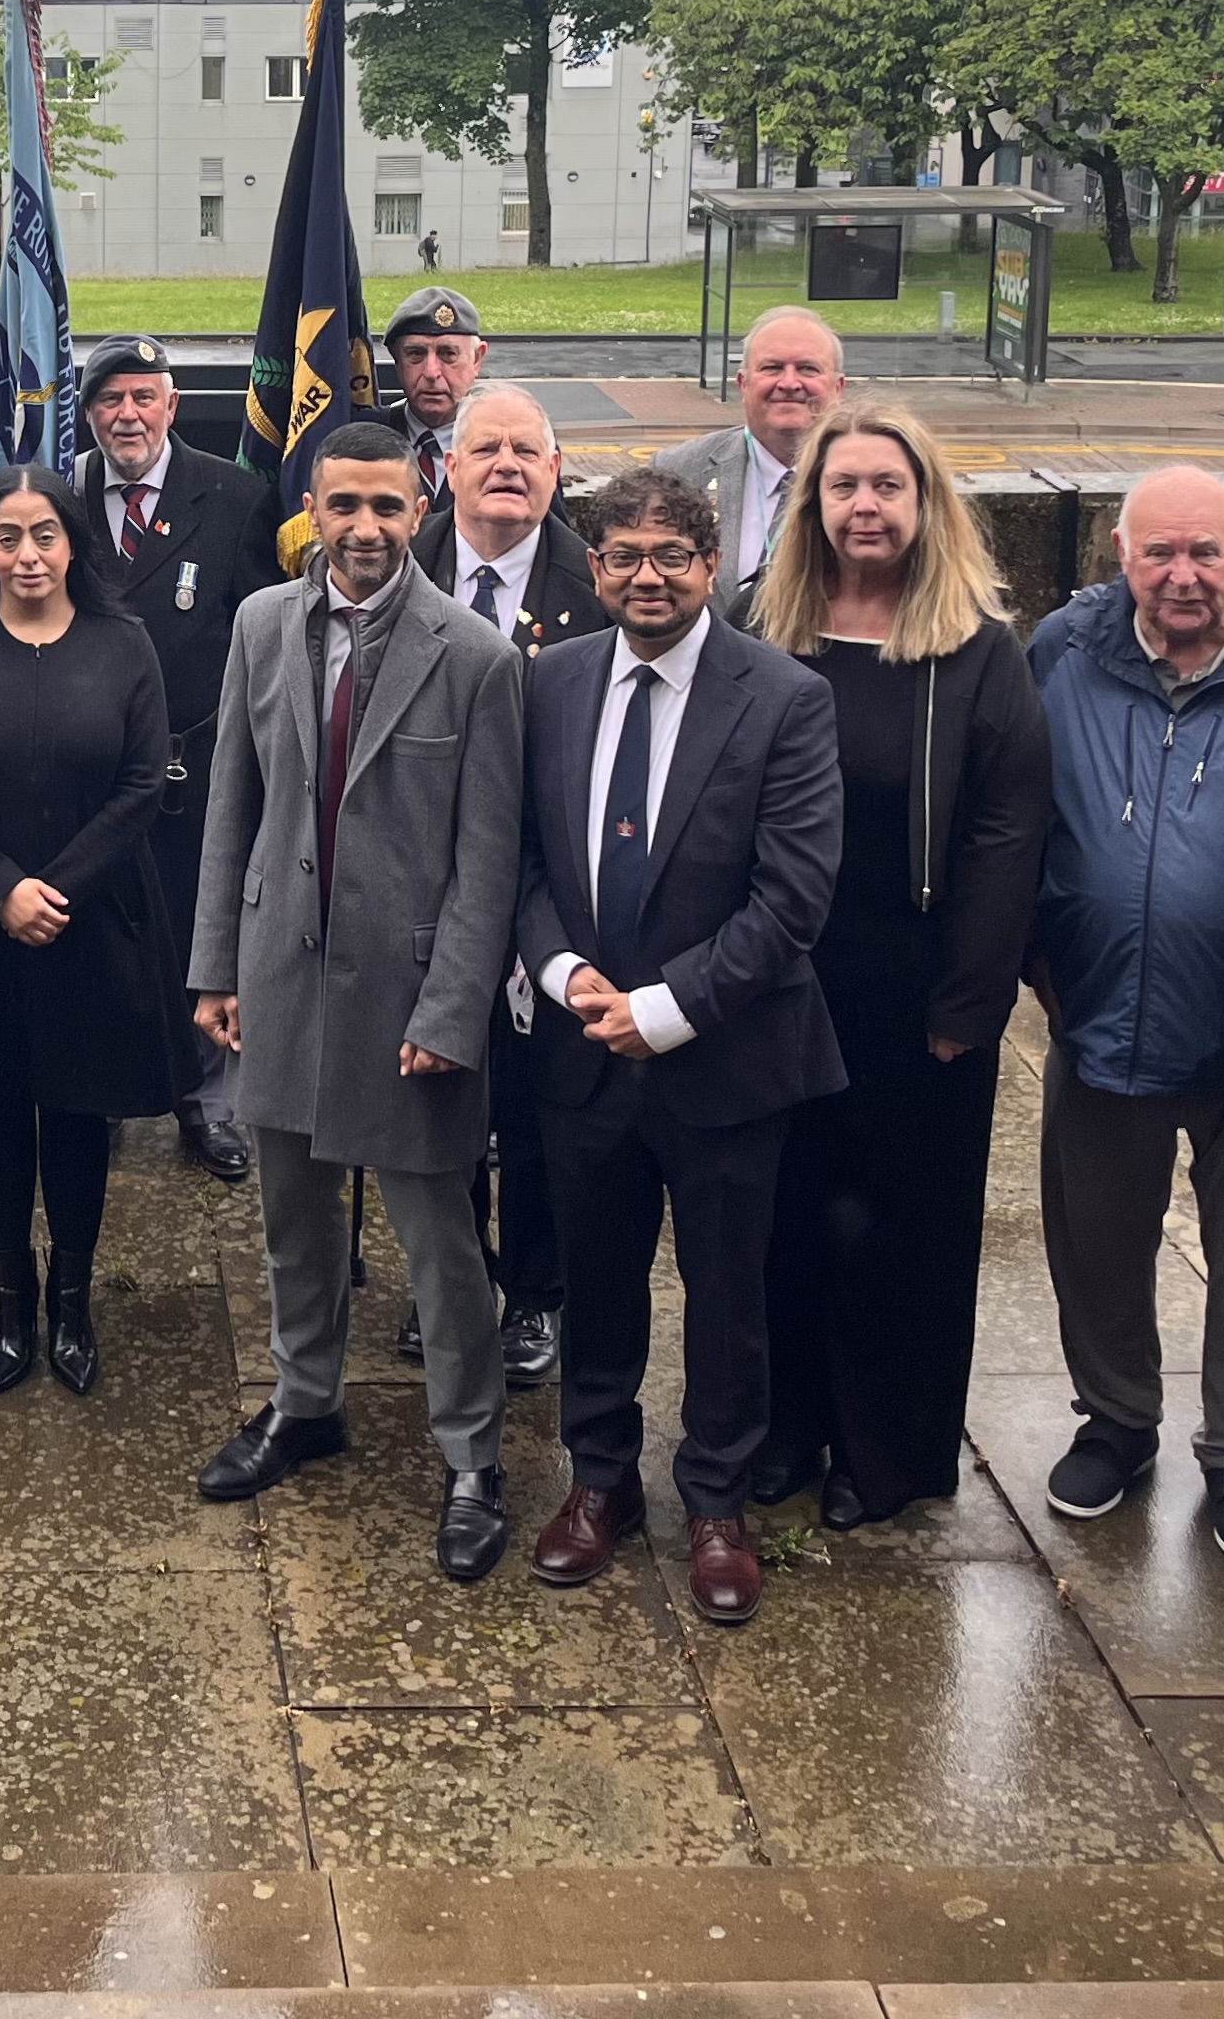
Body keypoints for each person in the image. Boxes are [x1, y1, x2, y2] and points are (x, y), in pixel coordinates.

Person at [188, 421, 524, 1585]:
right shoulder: (260, 627)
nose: (367, 529)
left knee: (440, 1244)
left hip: (407, 997)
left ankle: (472, 1456)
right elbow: (230, 803)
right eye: (346, 508)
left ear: (419, 502)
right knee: (293, 1219)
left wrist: (450, 1011)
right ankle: (305, 1399)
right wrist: (215, 966)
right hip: (281, 973)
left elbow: (488, 861)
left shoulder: (475, 655)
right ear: (313, 510)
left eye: (387, 506)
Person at [511, 465, 842, 1625]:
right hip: (580, 1051)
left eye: (670, 557)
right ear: (592, 567)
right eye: (621, 556)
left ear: (710, 568)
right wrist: (563, 976)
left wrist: (663, 1009)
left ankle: (714, 1499)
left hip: (724, 1059)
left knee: (725, 1292)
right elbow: (522, 863)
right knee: (593, 1282)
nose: (645, 577)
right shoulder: (546, 683)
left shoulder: (784, 697)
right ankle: (598, 1482)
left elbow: (794, 898)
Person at [740, 404, 1049, 1530]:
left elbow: (1007, 835)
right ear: (810, 505)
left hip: (917, 991)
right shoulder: (762, 632)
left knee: (901, 1231)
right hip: (776, 980)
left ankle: (886, 1447)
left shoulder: (975, 652)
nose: (864, 506)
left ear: (925, 506)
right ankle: (781, 1428)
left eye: (887, 486)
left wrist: (969, 1001)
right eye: (843, 487)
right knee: (783, 1217)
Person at [1025, 466, 1224, 1568]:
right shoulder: (1063, 650)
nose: (1183, 574)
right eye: (1160, 553)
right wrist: (1035, 958)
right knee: (1096, 1240)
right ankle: (1115, 1423)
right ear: (1120, 552)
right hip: (1098, 1008)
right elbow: (1009, 809)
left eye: (1205, 551)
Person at [0, 465, 180, 1396]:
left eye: (45, 536)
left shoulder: (123, 640)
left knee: (77, 1110)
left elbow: (144, 783)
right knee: (1, 1109)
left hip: (91, 924)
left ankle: (73, 1295)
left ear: (72, 544)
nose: (28, 555)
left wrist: (54, 889)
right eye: (9, 537)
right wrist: (0, 891)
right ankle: (9, 1292)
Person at [405, 380, 610, 1389]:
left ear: (556, 471)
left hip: (544, 889)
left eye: (528, 453)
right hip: (421, 882)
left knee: (534, 1107)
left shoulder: (596, 585)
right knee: (435, 1091)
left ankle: (535, 1294)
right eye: (487, 450)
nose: (507, 468)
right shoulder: (401, 568)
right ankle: (449, 1280)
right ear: (447, 467)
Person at [72, 336, 282, 1187]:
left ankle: (207, 1100)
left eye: (143, 397)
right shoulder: (63, 498)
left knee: (204, 922)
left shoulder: (235, 497)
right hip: (87, 764)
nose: (127, 414)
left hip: (197, 761)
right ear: (88, 415)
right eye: (110, 400)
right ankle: (115, 1086)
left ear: (172, 405)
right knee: (105, 923)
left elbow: (263, 633)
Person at [651, 307, 844, 606]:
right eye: (772, 368)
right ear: (743, 384)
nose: (790, 383)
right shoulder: (675, 473)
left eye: (808, 368)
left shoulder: (870, 486)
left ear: (837, 388)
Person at [377, 287, 487, 507]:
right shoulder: (369, 436)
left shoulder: (511, 444)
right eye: (416, 354)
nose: (431, 372)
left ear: (477, 359)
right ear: (397, 362)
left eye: (448, 354)